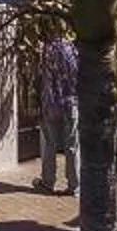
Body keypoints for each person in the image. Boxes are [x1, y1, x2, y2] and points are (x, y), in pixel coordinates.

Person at [37, 30, 79, 193]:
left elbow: (42, 76)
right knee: (72, 145)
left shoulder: (47, 50)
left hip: (52, 103)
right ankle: (74, 185)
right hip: (71, 102)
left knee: (50, 143)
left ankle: (48, 182)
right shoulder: (73, 50)